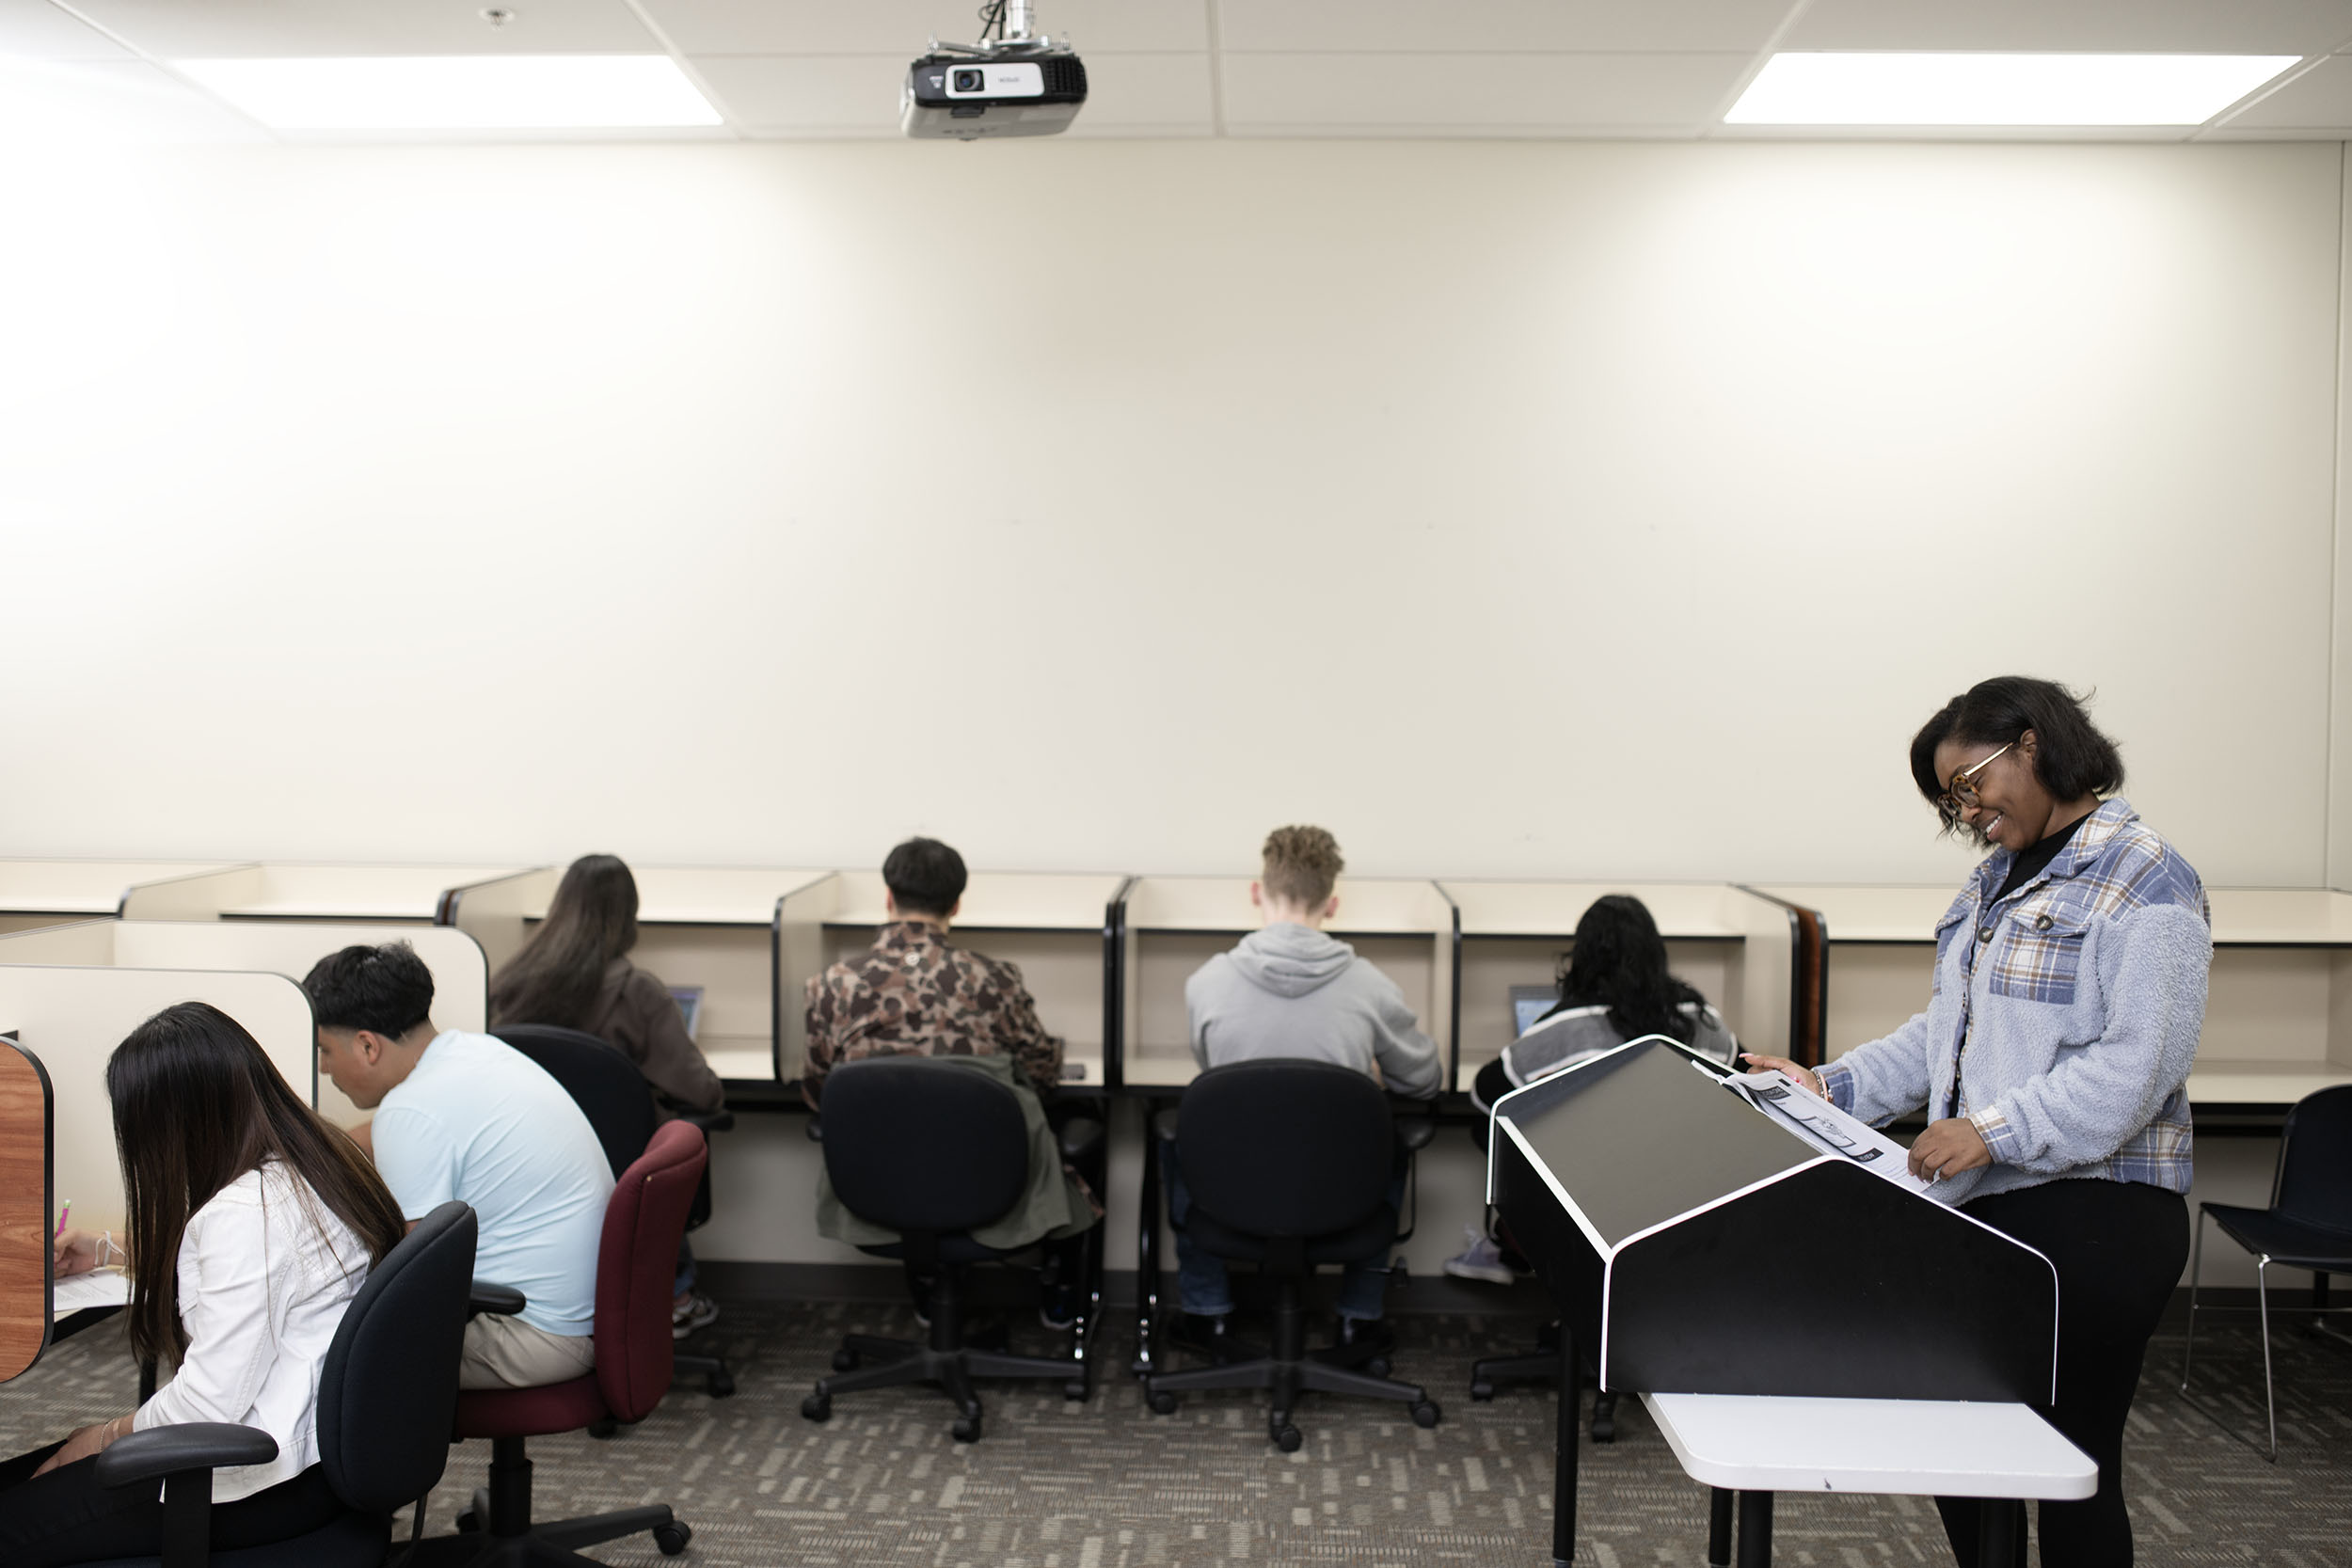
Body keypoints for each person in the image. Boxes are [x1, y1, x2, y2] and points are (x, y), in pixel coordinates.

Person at [1742, 676, 2206, 1568]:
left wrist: (1992, 1128)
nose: (1966, 813)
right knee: (1959, 1441)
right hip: (1995, 1201)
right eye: (1949, 801)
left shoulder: (2146, 878)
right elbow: (1944, 1033)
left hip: (2100, 1210)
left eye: (1970, 785)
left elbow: (2139, 1068)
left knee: (2072, 1464)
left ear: (2031, 745)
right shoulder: (1997, 875)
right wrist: (1829, 1086)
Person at [0, 1003, 408, 1567]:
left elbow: (208, 1404)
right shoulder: (315, 1158)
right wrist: (110, 1249)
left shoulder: (246, 1214)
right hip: (324, 1457)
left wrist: (103, 1434)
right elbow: (271, 1279)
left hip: (255, 1484)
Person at [803, 836, 1095, 1328]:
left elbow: (817, 1095)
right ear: (957, 904)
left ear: (888, 898)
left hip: (880, 1184)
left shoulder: (832, 984)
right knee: (1084, 1121)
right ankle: (1060, 1288)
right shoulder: (994, 979)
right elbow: (1043, 1073)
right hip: (987, 1177)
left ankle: (925, 1286)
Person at [1173, 825, 1442, 1355]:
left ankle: (1207, 1314)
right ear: (1333, 904)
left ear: (1256, 892)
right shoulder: (1370, 985)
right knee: (1386, 1135)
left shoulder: (1205, 982)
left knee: (1181, 1136)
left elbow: (1214, 1075)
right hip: (1339, 1194)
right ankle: (1357, 1319)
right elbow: (1425, 1079)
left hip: (1234, 1190)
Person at [306, 941, 615, 1390]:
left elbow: (411, 1278)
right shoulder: (472, 1054)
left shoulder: (411, 1110)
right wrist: (303, 1152)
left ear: (368, 1046)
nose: (323, 1068)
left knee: (323, 1362)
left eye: (326, 1051)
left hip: (535, 1337)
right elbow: (390, 1131)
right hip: (582, 1313)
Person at [489, 852, 725, 1337]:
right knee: (668, 1140)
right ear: (627, 916)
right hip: (620, 1168)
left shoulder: (508, 984)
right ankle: (674, 1298)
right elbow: (702, 1092)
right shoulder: (635, 990)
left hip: (527, 1165)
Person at [1447, 892, 1736, 1283]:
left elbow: (1485, 1094)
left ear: (1582, 955)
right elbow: (1739, 1082)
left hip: (1586, 1201)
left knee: (1491, 1131)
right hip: (1677, 1201)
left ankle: (1516, 1245)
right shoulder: (1701, 1021)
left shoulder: (1565, 1027)